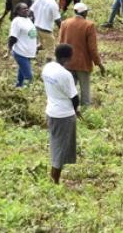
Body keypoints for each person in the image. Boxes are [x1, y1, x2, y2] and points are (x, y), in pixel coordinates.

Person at [42, 43, 80, 184]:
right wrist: (76, 110)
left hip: (51, 111)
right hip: (64, 115)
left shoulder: (48, 67)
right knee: (60, 148)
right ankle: (54, 180)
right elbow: (75, 97)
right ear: (67, 58)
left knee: (56, 143)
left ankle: (55, 177)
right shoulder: (65, 75)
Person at [59, 2, 105, 107]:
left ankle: (68, 109)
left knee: (69, 90)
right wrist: (99, 64)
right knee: (85, 92)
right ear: (84, 13)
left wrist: (60, 62)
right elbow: (92, 48)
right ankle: (86, 114)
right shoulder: (89, 25)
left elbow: (60, 42)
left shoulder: (64, 23)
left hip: (67, 63)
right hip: (82, 63)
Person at [8, 3, 38, 87]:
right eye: (23, 9)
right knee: (29, 77)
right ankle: (27, 94)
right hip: (21, 52)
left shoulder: (28, 19)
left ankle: (18, 87)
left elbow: (32, 34)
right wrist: (9, 49)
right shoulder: (17, 21)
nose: (26, 10)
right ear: (17, 11)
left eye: (27, 8)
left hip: (28, 53)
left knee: (21, 72)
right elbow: (13, 37)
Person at [31, 0, 62, 65]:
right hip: (46, 31)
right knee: (51, 50)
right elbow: (58, 20)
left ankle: (32, 53)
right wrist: (63, 29)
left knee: (42, 45)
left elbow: (31, 10)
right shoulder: (54, 4)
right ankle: (48, 65)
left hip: (36, 27)